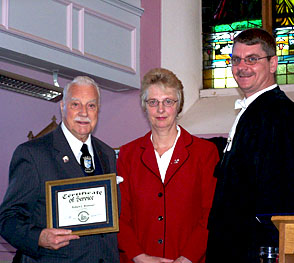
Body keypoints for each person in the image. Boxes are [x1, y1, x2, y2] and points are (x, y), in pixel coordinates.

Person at [206, 28, 294, 263]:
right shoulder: (258, 111)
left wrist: (270, 251)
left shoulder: (280, 114)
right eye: (236, 59)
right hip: (237, 246)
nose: (242, 67)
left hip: (257, 251)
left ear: (272, 64)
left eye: (252, 59)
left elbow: (285, 193)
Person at [0, 76, 120, 263]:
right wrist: (39, 238)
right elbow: (8, 219)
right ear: (62, 106)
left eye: (91, 106)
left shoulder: (107, 153)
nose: (84, 112)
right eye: (75, 105)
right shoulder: (33, 153)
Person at [117, 68, 219, 263]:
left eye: (168, 102)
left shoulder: (204, 153)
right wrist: (140, 257)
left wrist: (187, 258)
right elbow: (121, 215)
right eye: (153, 102)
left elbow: (211, 214)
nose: (160, 109)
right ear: (145, 107)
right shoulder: (128, 154)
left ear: (178, 105)